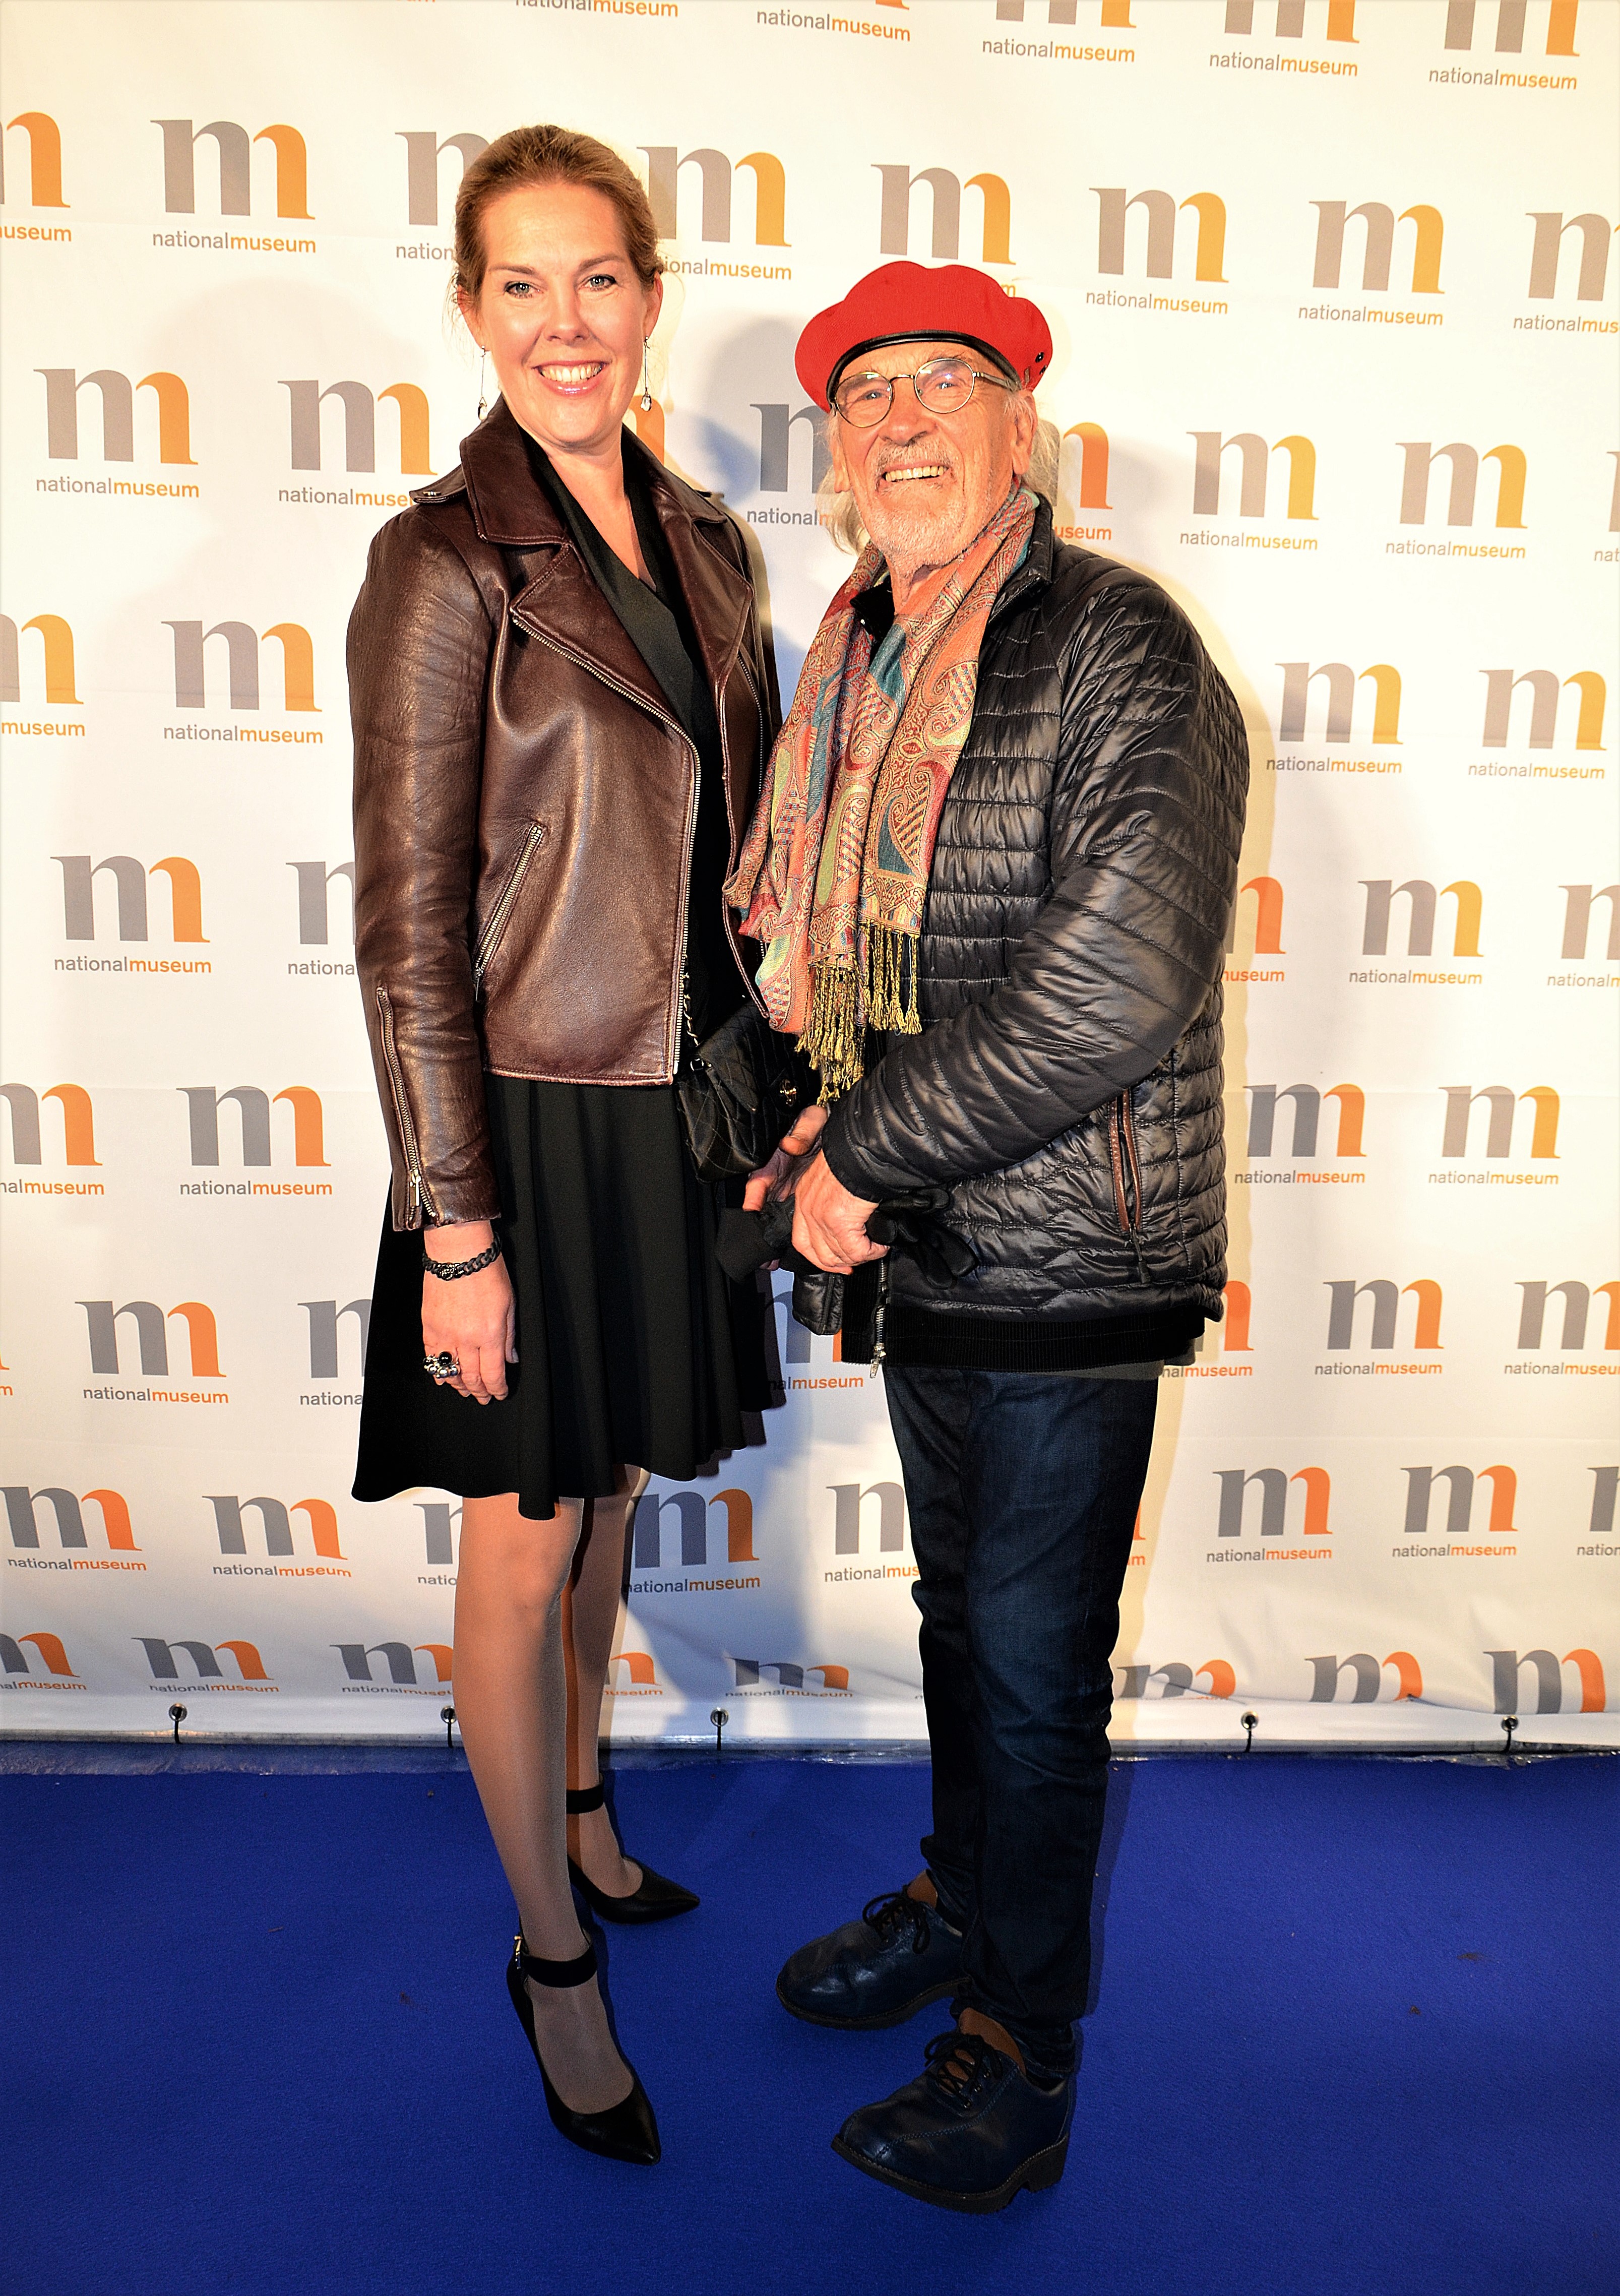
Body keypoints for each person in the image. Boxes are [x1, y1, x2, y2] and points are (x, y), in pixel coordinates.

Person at [730, 261, 1248, 2212]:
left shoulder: (1118, 642)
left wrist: (864, 1151)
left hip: (1071, 1259)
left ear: (1022, 424)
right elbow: (887, 957)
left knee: (1032, 1670)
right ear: (838, 449)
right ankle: (965, 1896)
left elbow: (1114, 981)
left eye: (944, 382)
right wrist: (830, 1121)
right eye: (866, 395)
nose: (903, 422)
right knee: (968, 1623)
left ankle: (1020, 2056)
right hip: (938, 1246)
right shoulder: (860, 655)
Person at [347, 123, 779, 2166]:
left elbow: (728, 846)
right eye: (520, 284)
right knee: (524, 1545)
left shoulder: (704, 540)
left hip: (664, 1101)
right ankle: (551, 1959)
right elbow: (408, 918)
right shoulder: (444, 562)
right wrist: (457, 1229)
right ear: (470, 312)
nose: (564, 321)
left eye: (595, 276)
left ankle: (589, 1806)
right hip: (517, 1118)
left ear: (648, 293)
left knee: (604, 1501)